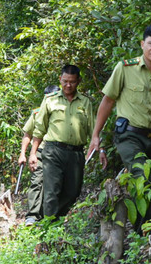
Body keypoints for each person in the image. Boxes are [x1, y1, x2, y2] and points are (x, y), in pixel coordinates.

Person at [87, 23, 151, 231]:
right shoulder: (125, 68)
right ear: (143, 44)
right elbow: (107, 101)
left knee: (145, 181)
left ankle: (141, 228)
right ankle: (142, 232)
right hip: (127, 135)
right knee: (142, 175)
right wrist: (95, 135)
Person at [28, 65, 95, 220]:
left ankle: (58, 220)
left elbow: (93, 129)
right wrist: (33, 153)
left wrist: (100, 148)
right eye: (65, 81)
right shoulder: (50, 100)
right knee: (52, 190)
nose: (68, 85)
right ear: (60, 80)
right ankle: (48, 225)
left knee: (73, 192)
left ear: (78, 81)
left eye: (72, 82)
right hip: (53, 150)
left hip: (76, 153)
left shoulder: (85, 102)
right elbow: (39, 129)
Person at [18, 85, 59, 225]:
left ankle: (52, 216)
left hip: (59, 152)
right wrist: (23, 154)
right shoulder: (37, 112)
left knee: (55, 184)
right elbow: (27, 134)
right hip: (41, 151)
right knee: (37, 181)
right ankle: (33, 216)